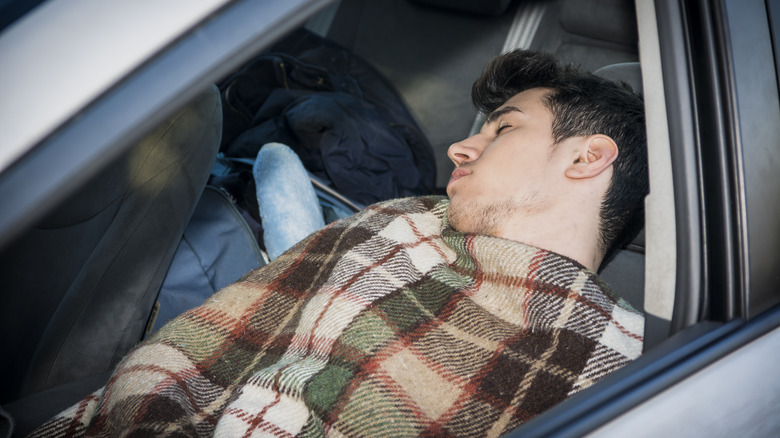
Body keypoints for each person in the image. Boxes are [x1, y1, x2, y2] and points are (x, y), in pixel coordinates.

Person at [30, 49, 647, 438]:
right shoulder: (401, 220)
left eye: (503, 129)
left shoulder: (615, 363)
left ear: (588, 158)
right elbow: (204, 345)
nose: (461, 149)